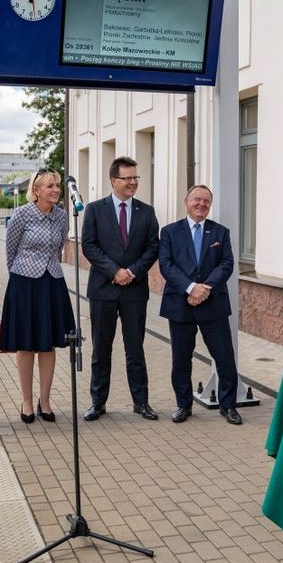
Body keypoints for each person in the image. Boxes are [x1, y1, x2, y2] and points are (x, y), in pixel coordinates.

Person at [81, 156, 160, 421]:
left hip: (135, 291)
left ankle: (141, 402)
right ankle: (98, 403)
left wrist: (133, 271)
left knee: (135, 349)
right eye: (127, 178)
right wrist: (114, 271)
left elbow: (152, 247)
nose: (133, 183)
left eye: (136, 177)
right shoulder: (94, 209)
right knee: (101, 349)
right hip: (103, 289)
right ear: (113, 180)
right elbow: (89, 245)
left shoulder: (146, 212)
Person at [158, 185, 242, 425]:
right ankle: (183, 405)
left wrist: (204, 289)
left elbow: (226, 264)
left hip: (212, 303)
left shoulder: (220, 233)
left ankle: (228, 406)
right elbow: (166, 265)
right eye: (197, 199)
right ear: (186, 201)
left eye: (206, 201)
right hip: (180, 304)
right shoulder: (170, 232)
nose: (201, 204)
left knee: (224, 357)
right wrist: (190, 288)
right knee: (181, 359)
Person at [0, 169, 75, 423]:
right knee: (26, 344)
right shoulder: (22, 214)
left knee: (48, 343)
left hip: (52, 282)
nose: (56, 189)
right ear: (36, 190)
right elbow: (10, 251)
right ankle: (27, 401)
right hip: (24, 283)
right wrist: (22, 276)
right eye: (50, 186)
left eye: (57, 185)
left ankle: (45, 400)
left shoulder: (62, 216)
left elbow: (60, 247)